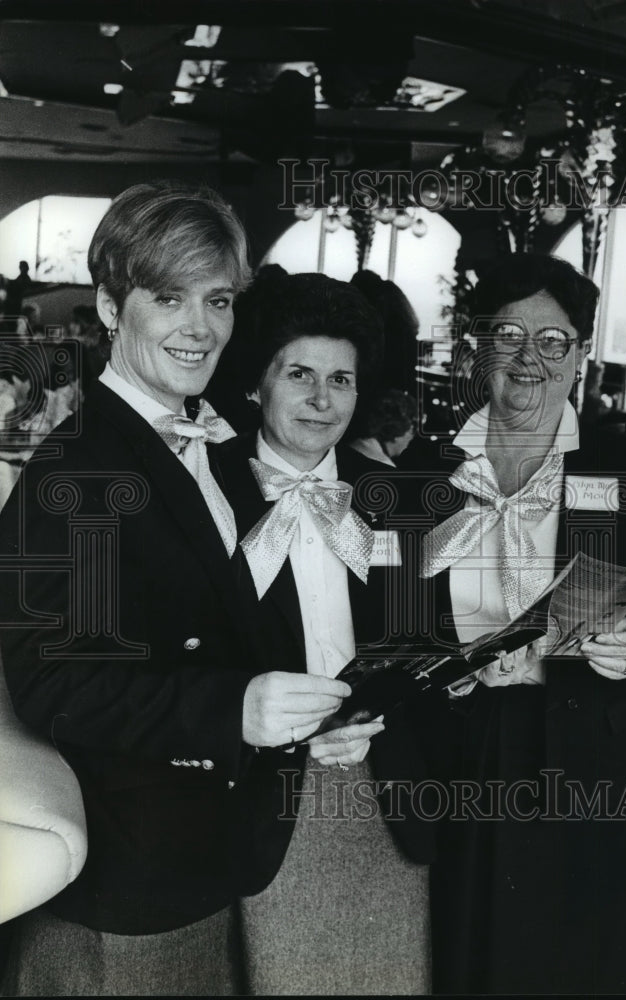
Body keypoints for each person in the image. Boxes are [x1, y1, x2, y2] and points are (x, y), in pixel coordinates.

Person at [0, 182, 351, 995]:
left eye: (218, 299)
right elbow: (56, 685)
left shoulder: (216, 447)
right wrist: (234, 713)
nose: (199, 328)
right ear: (111, 307)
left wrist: (302, 720)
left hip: (208, 854)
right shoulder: (79, 474)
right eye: (169, 297)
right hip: (127, 883)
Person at [418, 253, 626, 995]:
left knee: (586, 961)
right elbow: (396, 620)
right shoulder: (428, 472)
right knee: (473, 950)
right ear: (477, 348)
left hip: (596, 751)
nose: (529, 358)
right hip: (468, 748)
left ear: (581, 356)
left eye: (554, 342)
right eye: (508, 335)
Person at [213, 271, 434, 996]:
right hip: (257, 806)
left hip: (387, 799)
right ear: (256, 384)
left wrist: (382, 711)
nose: (321, 398)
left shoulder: (394, 502)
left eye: (340, 379)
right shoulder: (204, 495)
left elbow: (422, 648)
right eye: (299, 373)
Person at [348, 387, 418, 466]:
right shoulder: (385, 466)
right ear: (400, 427)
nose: (411, 437)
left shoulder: (353, 445)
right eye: (412, 429)